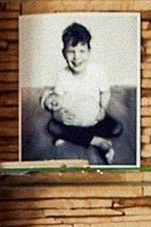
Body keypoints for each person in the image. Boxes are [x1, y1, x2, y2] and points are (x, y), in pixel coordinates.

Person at [40, 21, 122, 164]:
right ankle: (97, 142)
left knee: (116, 128)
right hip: (73, 121)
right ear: (63, 53)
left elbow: (105, 92)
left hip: (94, 118)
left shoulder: (97, 71)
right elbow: (58, 101)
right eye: (71, 52)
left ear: (89, 52)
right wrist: (60, 115)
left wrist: (102, 109)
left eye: (81, 51)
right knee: (53, 127)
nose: (77, 58)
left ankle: (77, 137)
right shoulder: (62, 75)